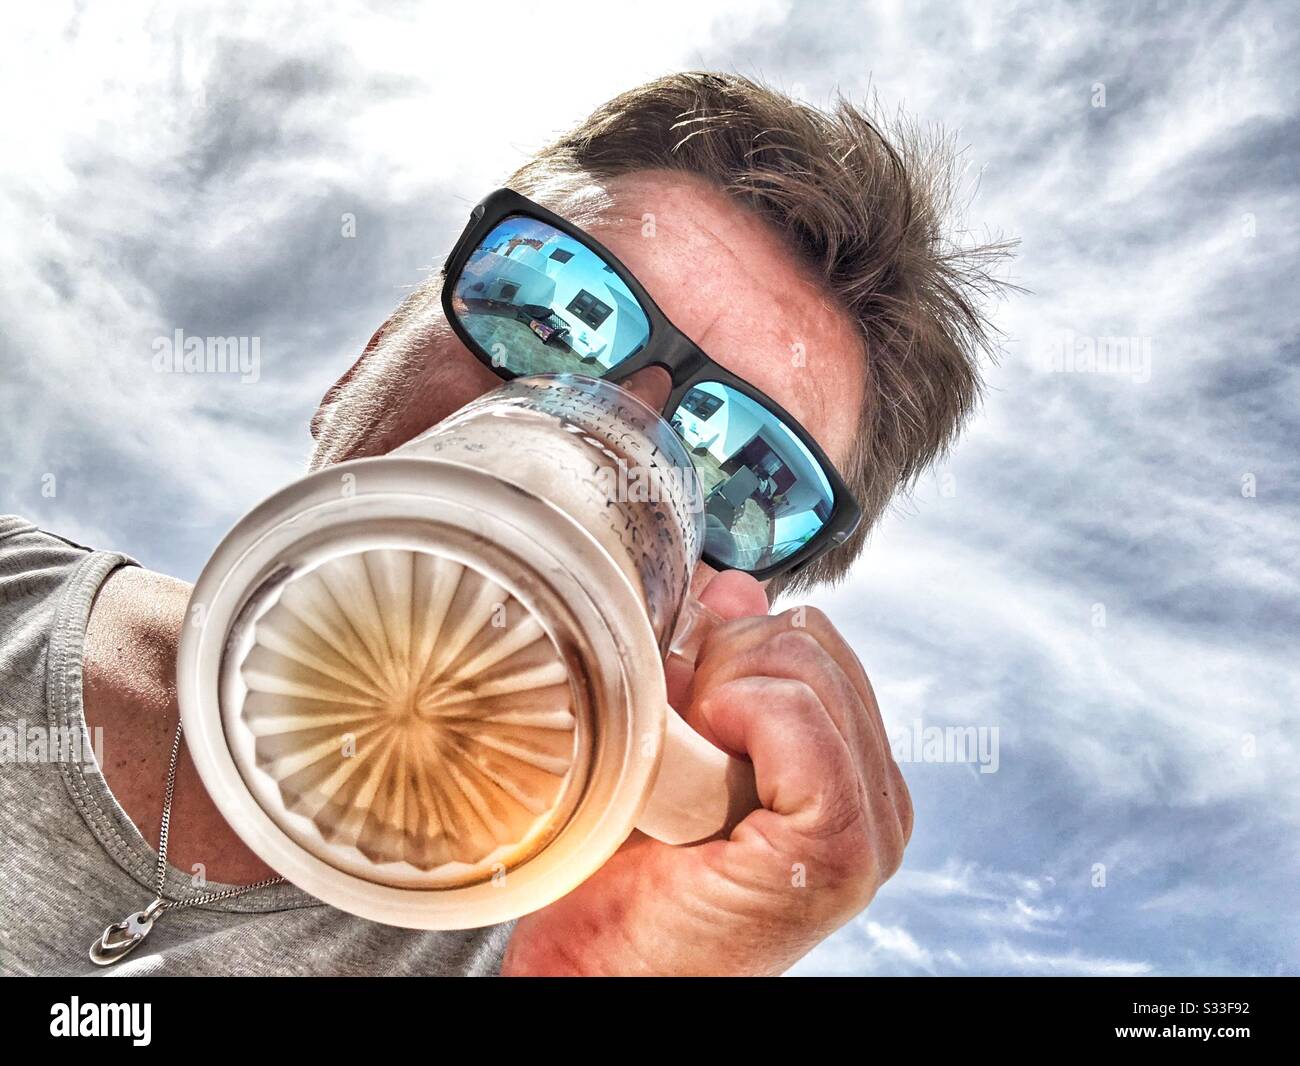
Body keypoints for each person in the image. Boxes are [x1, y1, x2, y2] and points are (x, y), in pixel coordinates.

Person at [0, 71, 1007, 976]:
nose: (613, 432)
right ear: (366, 360)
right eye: (550, 313)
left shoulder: (606, 946)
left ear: (711, 623)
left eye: (739, 472)